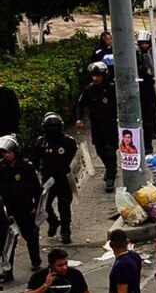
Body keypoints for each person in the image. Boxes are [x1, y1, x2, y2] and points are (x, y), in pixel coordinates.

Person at [0, 135, 42, 272]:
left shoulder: (26, 167)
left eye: (8, 152)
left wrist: (36, 206)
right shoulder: (2, 168)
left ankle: (36, 262)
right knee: (8, 241)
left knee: (30, 236)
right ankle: (8, 270)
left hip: (26, 208)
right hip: (9, 210)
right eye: (4, 153)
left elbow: (37, 189)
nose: (6, 155)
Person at [34, 113, 77, 244]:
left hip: (63, 179)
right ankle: (53, 222)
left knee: (64, 206)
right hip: (48, 180)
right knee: (44, 205)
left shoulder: (69, 142)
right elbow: (36, 161)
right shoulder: (41, 143)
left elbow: (76, 161)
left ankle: (65, 231)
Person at [75, 62, 119, 192]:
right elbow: (80, 105)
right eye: (94, 76)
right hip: (96, 126)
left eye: (98, 76)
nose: (96, 78)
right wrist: (79, 118)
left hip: (110, 125)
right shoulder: (89, 90)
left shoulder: (111, 88)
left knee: (110, 150)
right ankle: (110, 168)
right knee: (100, 150)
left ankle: (110, 177)